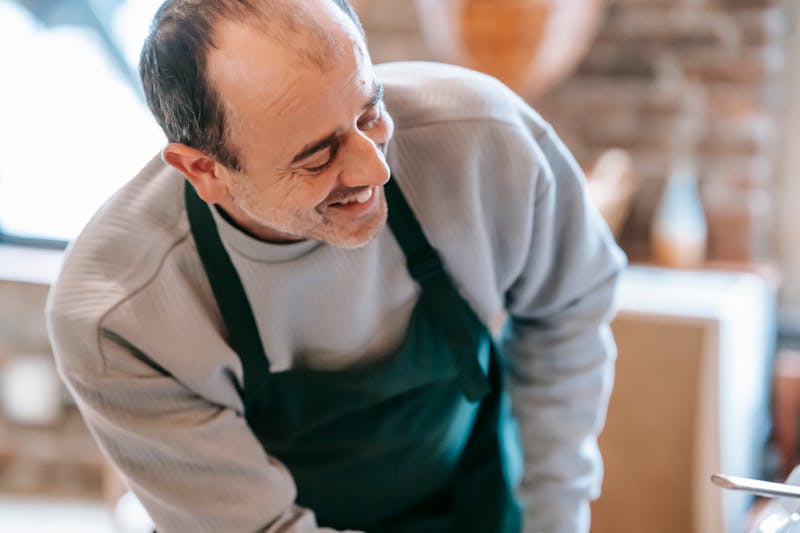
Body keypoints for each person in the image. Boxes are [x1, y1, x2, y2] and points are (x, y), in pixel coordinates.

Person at [46, 0, 627, 532]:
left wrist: (552, 517)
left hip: (475, 499)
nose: (375, 170)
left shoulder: (487, 140)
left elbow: (569, 313)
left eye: (370, 111)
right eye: (317, 156)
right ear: (204, 171)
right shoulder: (117, 315)